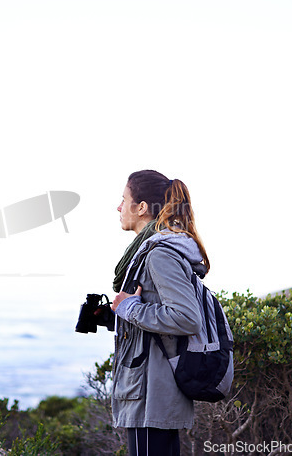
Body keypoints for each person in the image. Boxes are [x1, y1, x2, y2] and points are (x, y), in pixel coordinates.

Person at [111, 170, 210, 456]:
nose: (118, 207)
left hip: (150, 392)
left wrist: (130, 308)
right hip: (150, 389)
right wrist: (119, 312)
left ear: (141, 208)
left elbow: (187, 317)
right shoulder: (152, 250)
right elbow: (154, 309)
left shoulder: (159, 253)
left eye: (123, 200)